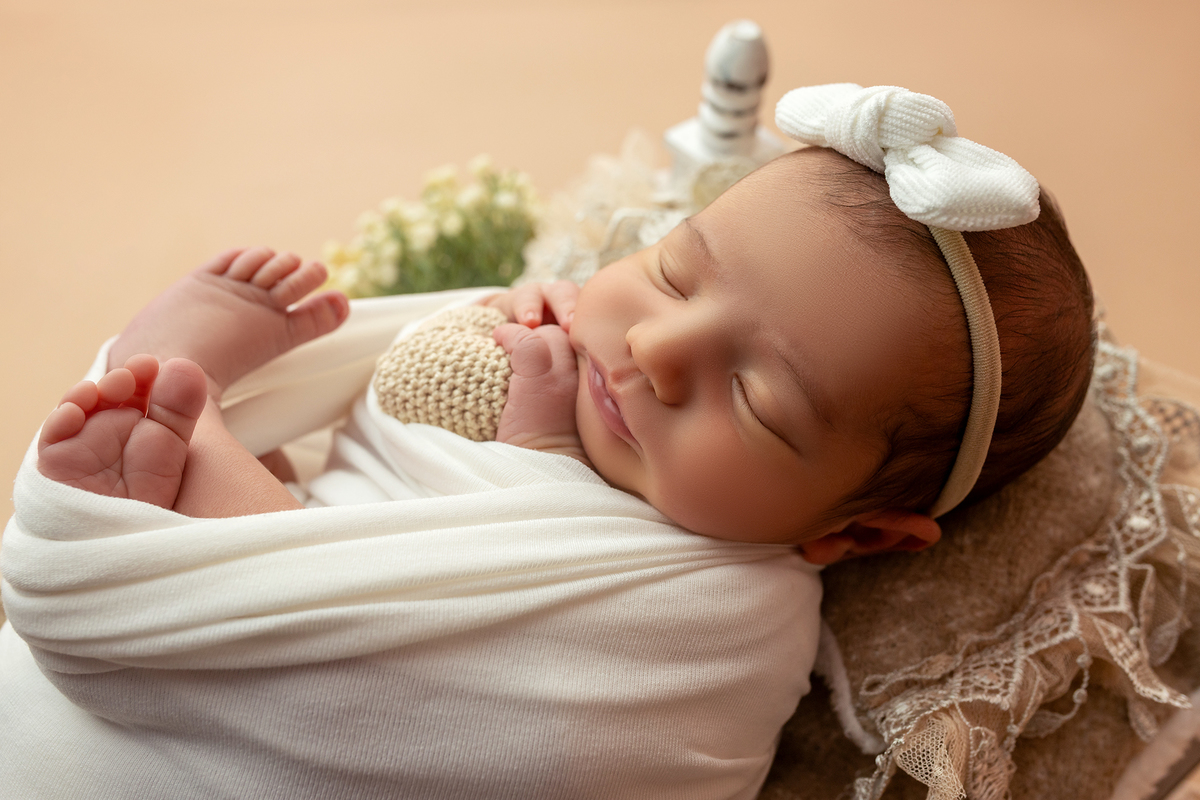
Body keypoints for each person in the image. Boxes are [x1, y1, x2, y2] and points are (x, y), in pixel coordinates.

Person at [11, 84, 1095, 799]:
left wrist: (532, 457)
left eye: (758, 398)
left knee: (320, 608)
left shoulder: (726, 628)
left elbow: (509, 732)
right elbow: (387, 439)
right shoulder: (563, 347)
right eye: (675, 272)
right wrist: (489, 339)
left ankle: (181, 418)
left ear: (857, 535)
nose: (655, 348)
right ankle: (204, 458)